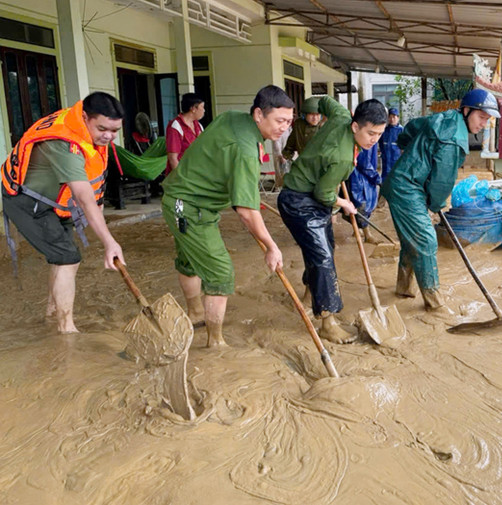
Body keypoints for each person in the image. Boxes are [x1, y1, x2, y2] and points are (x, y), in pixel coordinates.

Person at [161, 85, 291, 347]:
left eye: (289, 121)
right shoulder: (245, 150)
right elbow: (245, 211)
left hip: (182, 200)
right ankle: (215, 343)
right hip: (187, 206)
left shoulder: (232, 117)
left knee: (190, 259)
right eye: (279, 120)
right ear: (258, 115)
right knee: (220, 272)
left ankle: (196, 313)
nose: (284, 128)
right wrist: (271, 246)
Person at [1, 92, 126, 333]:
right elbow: (83, 197)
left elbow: (93, 185)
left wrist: (99, 219)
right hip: (26, 200)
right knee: (68, 257)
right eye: (103, 129)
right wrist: (109, 242)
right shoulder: (65, 143)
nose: (109, 136)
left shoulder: (84, 129)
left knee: (66, 257)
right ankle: (66, 330)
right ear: (86, 117)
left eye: (115, 131)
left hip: (54, 201)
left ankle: (52, 313)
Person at [278, 97, 387, 344]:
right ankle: (327, 321)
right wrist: (345, 204)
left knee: (322, 249)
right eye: (370, 133)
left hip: (309, 193)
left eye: (379, 134)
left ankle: (309, 295)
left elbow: (324, 100)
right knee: (323, 257)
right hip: (298, 201)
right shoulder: (341, 157)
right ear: (355, 126)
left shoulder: (339, 115)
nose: (374, 140)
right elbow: (324, 194)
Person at [381, 89, 499, 312]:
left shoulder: (444, 117)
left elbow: (411, 127)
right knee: (426, 239)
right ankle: (435, 304)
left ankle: (404, 288)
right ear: (467, 110)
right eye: (481, 117)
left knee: (413, 238)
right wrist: (436, 205)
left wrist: (409, 147)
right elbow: (441, 183)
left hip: (405, 182)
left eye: (487, 119)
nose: (484, 124)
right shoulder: (454, 140)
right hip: (407, 187)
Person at [345, 143, 381, 244]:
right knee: (362, 205)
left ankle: (357, 229)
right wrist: (377, 178)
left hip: (358, 175)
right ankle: (367, 234)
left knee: (357, 204)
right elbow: (364, 162)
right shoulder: (367, 139)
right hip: (360, 177)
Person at [165, 93, 205, 175]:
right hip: (182, 177)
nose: (204, 110)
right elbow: (173, 158)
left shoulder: (198, 126)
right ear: (193, 109)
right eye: (202, 107)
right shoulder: (175, 126)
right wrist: (181, 179)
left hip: (195, 174)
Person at [281, 96, 323, 162]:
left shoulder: (324, 126)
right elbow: (292, 140)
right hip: (303, 162)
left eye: (317, 115)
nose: (315, 118)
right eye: (312, 114)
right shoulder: (299, 124)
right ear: (304, 115)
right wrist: (287, 154)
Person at [378, 107, 403, 183]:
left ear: (398, 118)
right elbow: (380, 143)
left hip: (396, 160)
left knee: (396, 179)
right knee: (385, 179)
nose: (392, 119)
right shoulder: (384, 130)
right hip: (386, 160)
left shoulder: (401, 130)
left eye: (394, 117)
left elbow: (405, 146)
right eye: (390, 117)